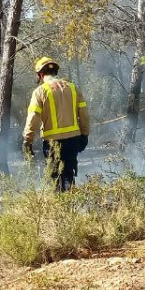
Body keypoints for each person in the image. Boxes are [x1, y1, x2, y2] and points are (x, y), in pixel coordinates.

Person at [22, 57, 89, 191]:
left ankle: (58, 207)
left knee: (55, 177)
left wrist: (27, 140)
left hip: (53, 142)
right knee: (69, 175)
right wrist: (84, 135)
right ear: (56, 72)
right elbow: (84, 114)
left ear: (40, 74)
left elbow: (33, 117)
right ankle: (70, 205)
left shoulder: (40, 92)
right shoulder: (73, 88)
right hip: (73, 140)